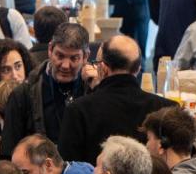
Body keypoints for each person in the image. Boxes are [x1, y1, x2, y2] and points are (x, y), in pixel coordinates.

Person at [56, 33, 175, 164]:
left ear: (103, 68)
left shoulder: (78, 110)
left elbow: (68, 170)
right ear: (138, 69)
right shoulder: (167, 109)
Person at [0, 22, 90, 160]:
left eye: (74, 58)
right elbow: (6, 155)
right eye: (60, 56)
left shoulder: (94, 92)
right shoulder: (22, 95)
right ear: (50, 50)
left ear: (85, 57)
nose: (65, 65)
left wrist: (100, 88)